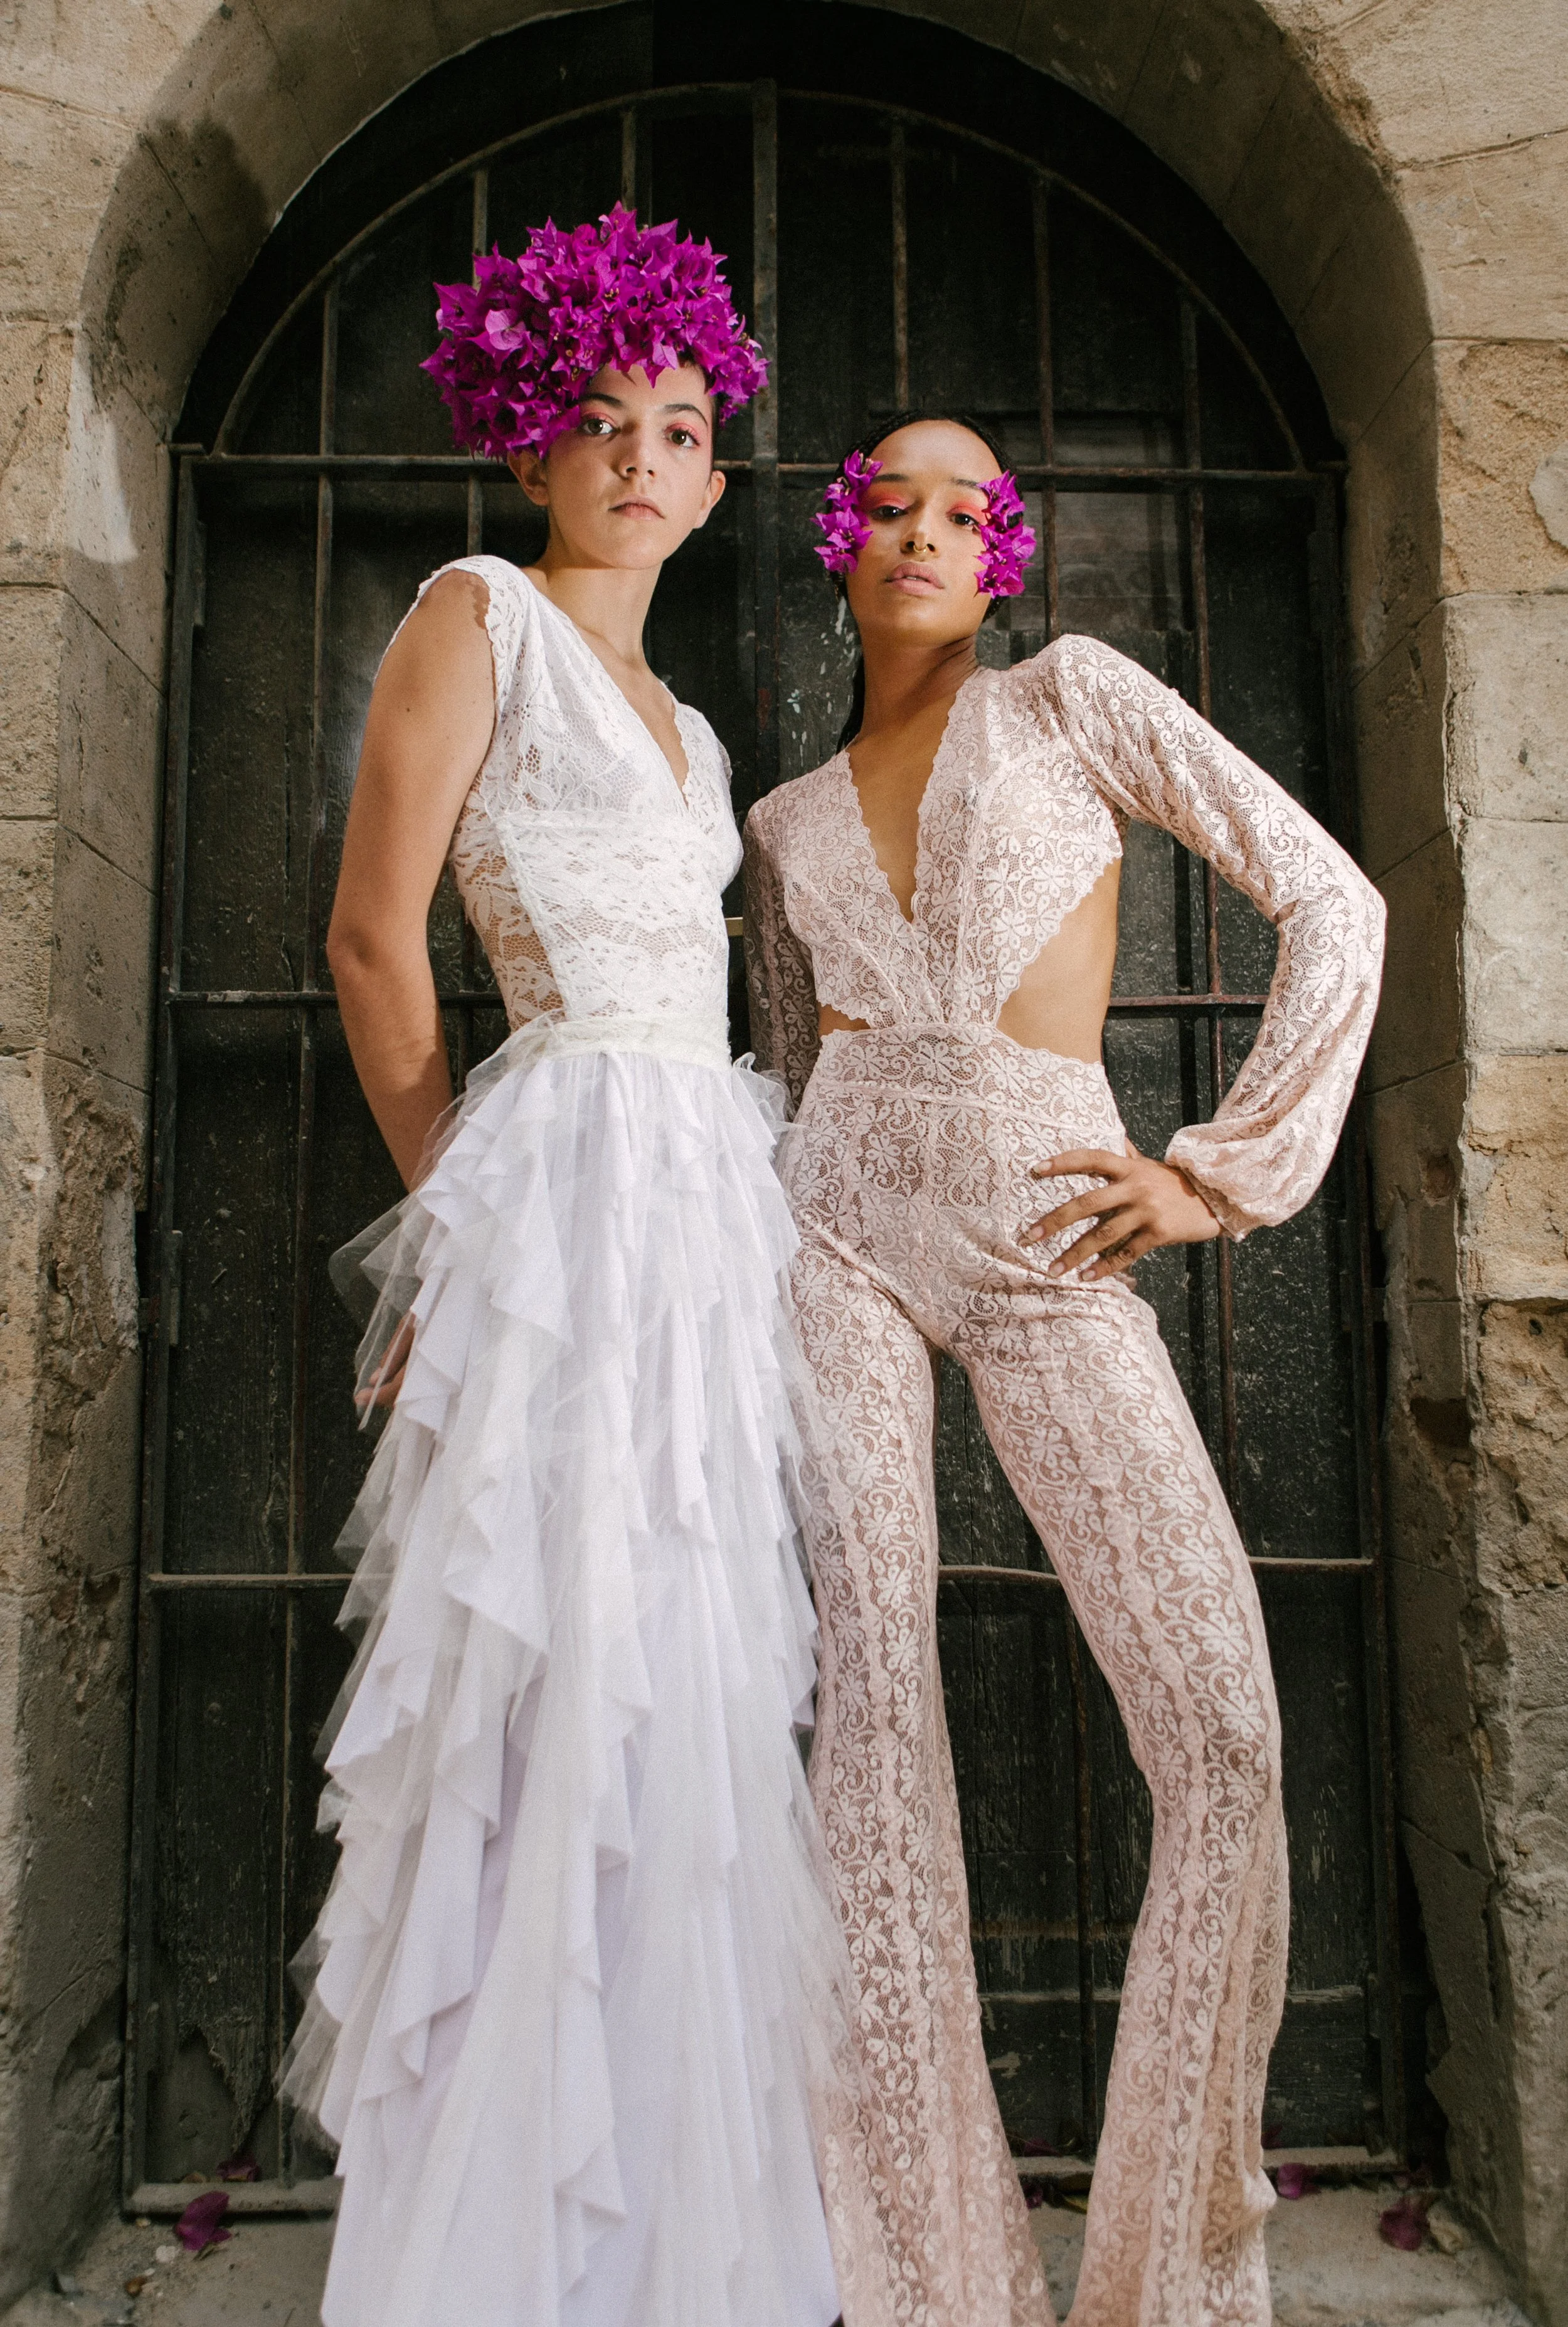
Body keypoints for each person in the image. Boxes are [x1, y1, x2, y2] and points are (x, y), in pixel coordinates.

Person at [743, 411, 1385, 2327]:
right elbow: (782, 1065)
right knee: (867, 1731)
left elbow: (1330, 898)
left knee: (1222, 1730)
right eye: (890, 500)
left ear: (1003, 551)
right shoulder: (779, 821)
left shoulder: (1070, 698)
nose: (927, 526)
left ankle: (1162, 2280)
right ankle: (931, 2277)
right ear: (835, 540)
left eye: (967, 506)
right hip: (833, 1226)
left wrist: (1218, 1177)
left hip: (1049, 1221)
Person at [282, 208, 853, 2327]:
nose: (637, 452)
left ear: (716, 480)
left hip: (700, 1184)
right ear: (535, 437)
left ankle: (668, 2229)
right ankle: (500, 2236)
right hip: (560, 1173)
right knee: (549, 1648)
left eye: (679, 423)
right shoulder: (477, 613)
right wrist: (465, 1218)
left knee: (690, 1660)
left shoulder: (694, 730)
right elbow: (372, 940)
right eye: (600, 416)